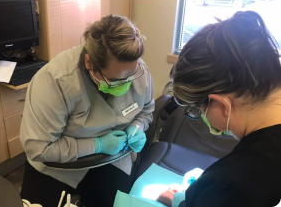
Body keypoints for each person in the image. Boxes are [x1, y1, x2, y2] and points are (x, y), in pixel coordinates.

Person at [19, 15, 155, 207]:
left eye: (131, 77)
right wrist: (97, 145)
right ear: (89, 63)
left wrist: (138, 127)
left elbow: (146, 110)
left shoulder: (139, 70)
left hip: (113, 159)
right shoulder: (55, 80)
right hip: (59, 165)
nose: (125, 86)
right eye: (115, 81)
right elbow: (40, 148)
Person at [158, 11, 281, 207]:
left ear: (221, 105)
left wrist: (193, 200)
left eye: (198, 109)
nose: (201, 116)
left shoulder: (230, 184)